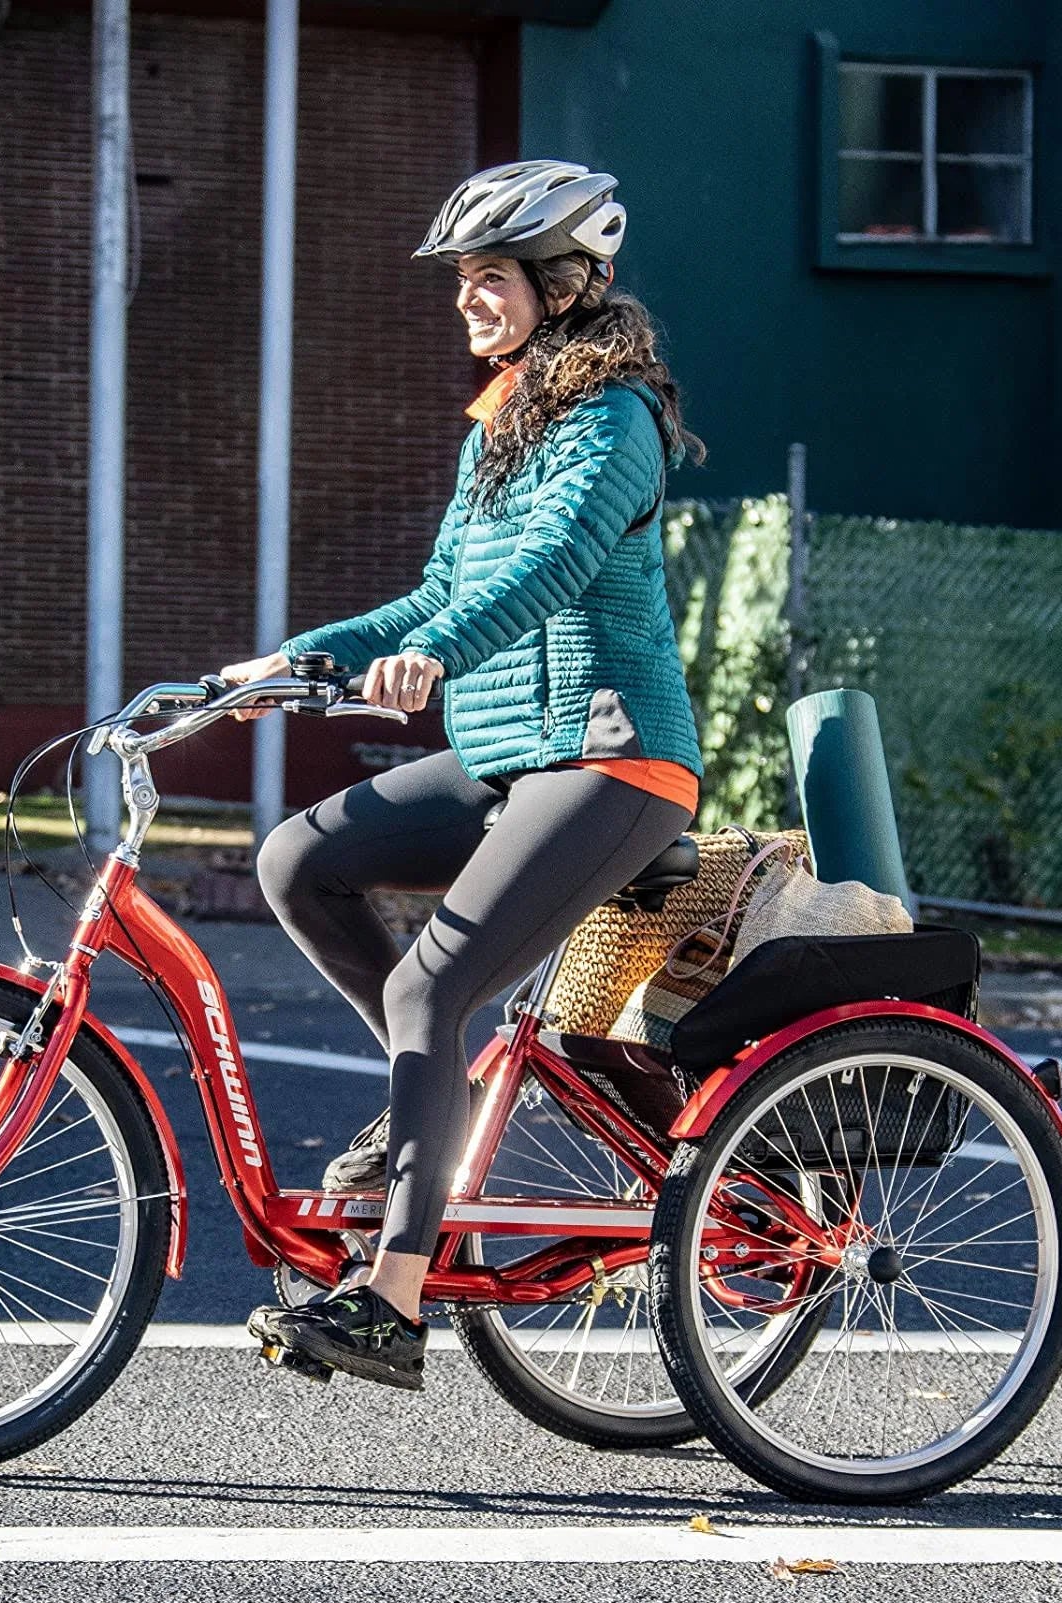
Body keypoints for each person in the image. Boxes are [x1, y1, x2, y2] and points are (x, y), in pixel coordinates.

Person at [221, 159, 706, 1392]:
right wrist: (299, 656)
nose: (466, 301)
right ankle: (415, 1115)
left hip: (610, 763)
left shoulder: (615, 424)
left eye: (489, 278)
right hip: (506, 758)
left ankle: (391, 1298)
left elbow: (543, 572)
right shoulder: (506, 420)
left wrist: (436, 655)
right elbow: (441, 586)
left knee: (435, 987)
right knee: (299, 859)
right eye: (464, 281)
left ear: (564, 283)